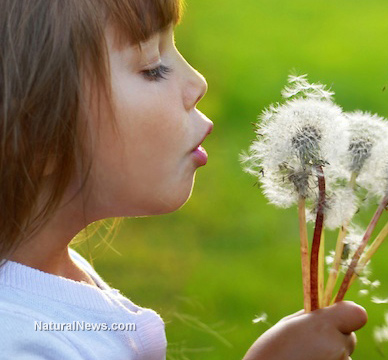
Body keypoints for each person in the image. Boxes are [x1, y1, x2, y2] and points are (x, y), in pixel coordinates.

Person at [0, 0, 367, 359]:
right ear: (38, 138)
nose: (199, 82)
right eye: (153, 67)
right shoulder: (21, 343)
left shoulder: (52, 277)